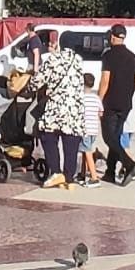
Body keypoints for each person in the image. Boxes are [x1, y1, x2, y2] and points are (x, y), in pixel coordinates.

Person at [32, 29, 85, 190]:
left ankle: (55, 172)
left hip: (56, 107)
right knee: (71, 142)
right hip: (75, 109)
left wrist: (30, 86)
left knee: (48, 137)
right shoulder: (79, 60)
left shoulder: (54, 59)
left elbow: (38, 80)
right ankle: (69, 177)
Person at [96, 23, 135, 185]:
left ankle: (129, 164)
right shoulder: (133, 56)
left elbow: (105, 81)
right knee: (115, 137)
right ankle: (110, 172)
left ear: (112, 36)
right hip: (125, 104)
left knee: (109, 138)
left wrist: (98, 101)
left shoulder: (108, 56)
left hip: (110, 102)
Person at [79, 72, 104, 183]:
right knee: (86, 151)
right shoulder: (96, 98)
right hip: (94, 129)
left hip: (85, 129)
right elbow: (101, 113)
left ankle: (94, 177)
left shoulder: (80, 98)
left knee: (87, 152)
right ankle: (83, 173)